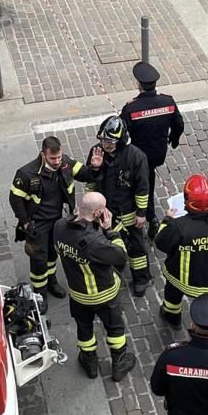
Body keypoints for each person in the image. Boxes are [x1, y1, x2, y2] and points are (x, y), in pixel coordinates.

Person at [53, 192, 136, 382]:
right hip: (104, 293)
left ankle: (89, 363)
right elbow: (120, 256)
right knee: (115, 329)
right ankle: (119, 364)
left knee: (84, 329)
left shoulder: (59, 226)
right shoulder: (94, 242)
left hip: (77, 293)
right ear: (98, 213)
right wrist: (110, 230)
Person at [10, 136, 95, 307]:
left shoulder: (65, 163)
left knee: (52, 254)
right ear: (43, 155)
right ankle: (39, 294)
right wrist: (25, 222)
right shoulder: (26, 174)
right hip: (37, 223)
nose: (57, 162)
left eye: (59, 157)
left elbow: (86, 174)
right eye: (53, 158)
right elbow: (15, 199)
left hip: (57, 221)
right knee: (38, 259)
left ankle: (52, 282)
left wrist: (95, 166)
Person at [86, 116, 152, 296]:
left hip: (128, 211)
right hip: (106, 211)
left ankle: (141, 278)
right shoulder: (96, 152)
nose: (105, 145)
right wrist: (94, 169)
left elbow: (142, 187)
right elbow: (90, 181)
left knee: (136, 246)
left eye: (110, 142)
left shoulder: (136, 157)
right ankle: (115, 266)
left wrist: (141, 213)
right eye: (103, 140)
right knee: (108, 242)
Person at [155, 174, 208, 327]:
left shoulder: (178, 226)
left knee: (172, 297)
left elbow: (161, 242)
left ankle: (172, 317)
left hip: (179, 278)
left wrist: (167, 220)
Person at [120, 61, 184, 241]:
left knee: (142, 183)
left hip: (139, 156)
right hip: (158, 153)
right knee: (148, 177)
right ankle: (150, 215)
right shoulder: (167, 101)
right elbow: (179, 124)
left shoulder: (131, 108)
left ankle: (150, 216)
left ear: (138, 84)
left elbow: (122, 133)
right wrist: (174, 140)